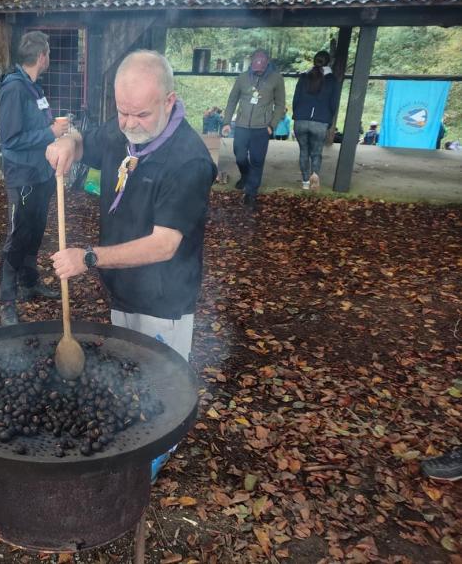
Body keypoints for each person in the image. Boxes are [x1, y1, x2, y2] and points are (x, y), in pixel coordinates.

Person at [45, 50, 216, 480]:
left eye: (141, 113)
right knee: (128, 372)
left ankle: (157, 453)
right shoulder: (125, 129)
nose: (130, 123)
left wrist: (88, 257)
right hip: (122, 288)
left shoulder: (189, 160)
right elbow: (90, 141)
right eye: (123, 112)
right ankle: (130, 440)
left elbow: (164, 245)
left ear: (169, 101)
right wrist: (70, 142)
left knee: (164, 382)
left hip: (164, 296)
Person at [0, 31, 68, 326]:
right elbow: (10, 139)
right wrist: (49, 133)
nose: (48, 59)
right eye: (48, 54)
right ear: (42, 56)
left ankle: (29, 282)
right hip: (22, 175)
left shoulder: (34, 88)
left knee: (36, 231)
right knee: (17, 238)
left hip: (41, 173)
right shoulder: (14, 88)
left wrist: (53, 128)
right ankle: (6, 302)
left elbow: (34, 128)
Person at [222, 49, 286, 210]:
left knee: (257, 161)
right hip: (242, 125)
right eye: (256, 65)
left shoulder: (276, 79)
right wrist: (226, 122)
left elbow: (280, 104)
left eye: (261, 67)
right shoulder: (243, 78)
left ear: (267, 63)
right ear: (252, 62)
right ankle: (245, 175)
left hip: (262, 128)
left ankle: (251, 193)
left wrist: (272, 125)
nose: (258, 69)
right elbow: (232, 100)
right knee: (240, 156)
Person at [292, 50, 340, 191]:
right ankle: (315, 176)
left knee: (303, 152)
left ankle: (305, 182)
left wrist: (297, 114)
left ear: (314, 61)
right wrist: (329, 121)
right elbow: (333, 103)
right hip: (320, 121)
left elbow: (296, 99)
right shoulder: (332, 80)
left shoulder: (304, 77)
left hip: (301, 120)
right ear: (328, 62)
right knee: (316, 152)